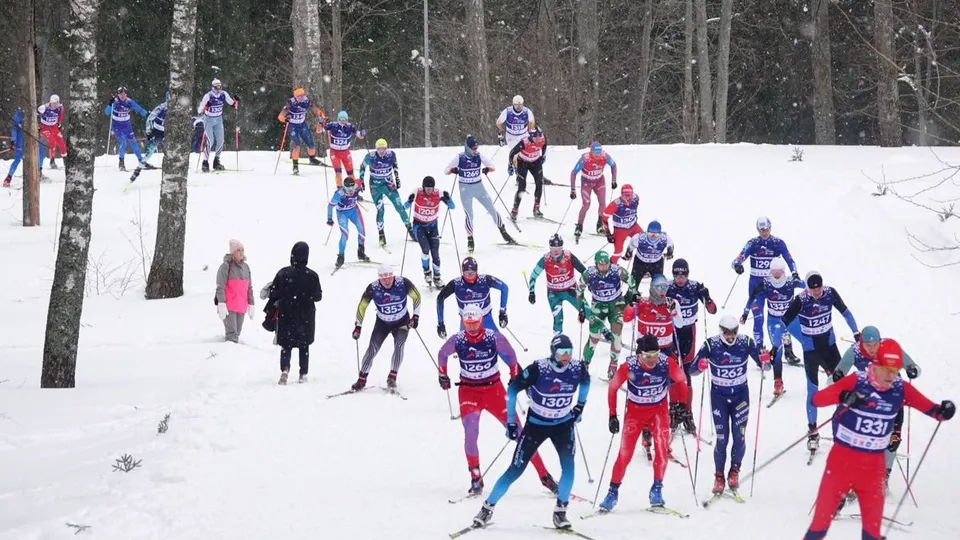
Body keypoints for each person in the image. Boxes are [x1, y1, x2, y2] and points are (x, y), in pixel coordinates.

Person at [803, 339, 954, 540]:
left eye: (896, 370)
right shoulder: (857, 381)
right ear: (875, 364)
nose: (892, 376)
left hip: (873, 471)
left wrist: (943, 411)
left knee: (872, 534)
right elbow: (817, 399)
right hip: (841, 465)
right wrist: (843, 396)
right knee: (818, 528)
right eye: (887, 370)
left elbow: (931, 409)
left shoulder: (900, 389)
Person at [472, 334, 591, 530]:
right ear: (553, 353)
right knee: (515, 469)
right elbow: (512, 389)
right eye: (562, 352)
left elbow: (586, 383)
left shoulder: (577, 368)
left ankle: (560, 512)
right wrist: (511, 422)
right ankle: (487, 508)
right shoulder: (539, 368)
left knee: (569, 468)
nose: (566, 357)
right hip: (536, 425)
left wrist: (580, 406)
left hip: (563, 424)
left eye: (569, 352)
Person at [437, 305, 559, 495]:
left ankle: (544, 476)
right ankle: (476, 478)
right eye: (467, 324)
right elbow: (442, 353)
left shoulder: (492, 337)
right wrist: (442, 374)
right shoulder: (458, 339)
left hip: (493, 390)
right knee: (470, 433)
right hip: (469, 393)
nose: (471, 328)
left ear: (481, 321)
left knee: (520, 433)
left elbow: (510, 354)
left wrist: (514, 374)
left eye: (475, 323)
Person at [601, 334, 688, 511]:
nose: (652, 360)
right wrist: (612, 415)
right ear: (639, 354)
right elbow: (613, 388)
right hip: (635, 413)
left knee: (662, 451)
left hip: (658, 412)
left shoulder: (665, 363)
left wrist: (680, 405)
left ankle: (657, 489)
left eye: (655, 354)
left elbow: (682, 379)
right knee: (625, 454)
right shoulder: (629, 366)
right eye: (648, 356)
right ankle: (612, 492)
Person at [833, 327, 922, 493]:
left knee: (892, 441)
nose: (872, 348)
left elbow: (914, 366)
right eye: (868, 345)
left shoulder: (889, 347)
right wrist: (837, 377)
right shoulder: (854, 352)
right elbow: (836, 375)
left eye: (875, 344)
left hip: (893, 398)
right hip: (867, 402)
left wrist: (912, 370)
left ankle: (883, 477)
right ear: (861, 343)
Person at [780, 271, 858, 454]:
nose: (816, 292)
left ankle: (844, 426)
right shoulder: (801, 300)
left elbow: (846, 312)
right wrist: (778, 345)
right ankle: (813, 431)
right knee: (812, 390)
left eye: (818, 288)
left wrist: (855, 331)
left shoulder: (830, 293)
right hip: (811, 351)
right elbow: (783, 321)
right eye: (812, 289)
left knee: (843, 386)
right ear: (807, 288)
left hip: (830, 347)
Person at [690, 314, 767, 497]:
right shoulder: (711, 345)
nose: (731, 336)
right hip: (719, 397)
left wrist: (765, 359)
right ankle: (719, 476)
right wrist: (700, 366)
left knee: (739, 436)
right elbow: (691, 370)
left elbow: (765, 366)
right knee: (722, 438)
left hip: (740, 397)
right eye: (727, 333)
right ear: (721, 331)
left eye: (734, 332)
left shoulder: (745, 342)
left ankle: (734, 471)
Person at [730, 216, 799, 352]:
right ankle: (759, 348)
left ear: (770, 228)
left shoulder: (777, 243)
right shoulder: (752, 243)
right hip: (757, 286)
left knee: (783, 318)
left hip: (775, 284)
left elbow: (789, 259)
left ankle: (788, 349)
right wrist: (737, 266)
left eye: (766, 229)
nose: (764, 233)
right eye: (761, 230)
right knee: (758, 318)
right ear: (757, 230)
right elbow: (737, 260)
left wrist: (795, 273)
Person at [740, 257, 805, 397]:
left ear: (784, 271)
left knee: (807, 342)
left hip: (792, 320)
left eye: (779, 272)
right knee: (778, 350)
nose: (776, 275)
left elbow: (809, 285)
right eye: (774, 272)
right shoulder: (766, 283)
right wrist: (745, 313)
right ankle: (778, 382)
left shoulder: (790, 282)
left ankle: (827, 368)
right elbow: (752, 296)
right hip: (774, 321)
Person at [350, 264, 422, 391]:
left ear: (393, 276)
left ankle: (392, 377)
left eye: (389, 277)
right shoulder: (373, 288)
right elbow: (362, 306)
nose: (387, 281)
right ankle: (362, 379)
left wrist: (415, 317)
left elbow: (417, 297)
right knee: (372, 349)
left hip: (402, 323)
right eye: (384, 279)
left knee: (399, 345)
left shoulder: (403, 283)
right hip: (382, 323)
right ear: (379, 278)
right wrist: (358, 326)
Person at [665, 258, 716, 433]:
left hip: (688, 332)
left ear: (688, 274)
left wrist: (706, 296)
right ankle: (673, 408)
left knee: (686, 372)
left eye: (683, 274)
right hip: (671, 333)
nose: (680, 278)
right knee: (672, 372)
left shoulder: (694, 287)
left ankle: (687, 411)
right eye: (676, 274)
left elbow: (713, 310)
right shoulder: (667, 287)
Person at [445, 135, 516, 251]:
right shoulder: (460, 157)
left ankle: (504, 232)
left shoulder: (478, 156)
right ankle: (470, 240)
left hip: (479, 188)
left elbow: (492, 166)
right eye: (473, 148)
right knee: (469, 214)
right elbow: (445, 171)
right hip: (465, 190)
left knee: (492, 209)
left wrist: (487, 169)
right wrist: (453, 170)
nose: (475, 150)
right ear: (467, 148)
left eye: (476, 148)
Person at [266, 241, 322, 385]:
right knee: (304, 345)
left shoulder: (283, 273)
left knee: (287, 344)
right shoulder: (312, 275)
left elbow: (274, 293)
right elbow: (318, 297)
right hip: (306, 315)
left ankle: (285, 369)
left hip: (287, 314)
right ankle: (303, 373)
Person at [576, 250, 628, 369]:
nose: (604, 266)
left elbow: (632, 283)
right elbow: (579, 292)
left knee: (617, 334)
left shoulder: (617, 271)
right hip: (598, 306)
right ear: (596, 264)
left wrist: (629, 298)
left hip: (616, 305)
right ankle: (585, 364)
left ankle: (613, 364)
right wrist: (581, 309)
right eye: (601, 264)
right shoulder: (589, 274)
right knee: (594, 337)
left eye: (606, 264)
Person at [527, 234, 588, 335]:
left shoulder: (569, 256)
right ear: (550, 248)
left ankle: (605, 332)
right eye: (553, 248)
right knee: (558, 319)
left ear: (562, 248)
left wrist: (586, 288)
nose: (556, 251)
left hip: (571, 290)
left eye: (559, 248)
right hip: (554, 293)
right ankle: (558, 341)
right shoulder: (545, 260)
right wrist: (531, 292)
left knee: (588, 311)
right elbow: (533, 276)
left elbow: (584, 272)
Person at [359, 138, 413, 246]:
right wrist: (361, 180)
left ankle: (410, 230)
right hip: (375, 185)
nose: (381, 151)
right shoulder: (370, 156)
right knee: (380, 209)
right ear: (376, 148)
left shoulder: (391, 155)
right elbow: (362, 167)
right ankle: (381, 234)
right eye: (379, 149)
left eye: (383, 148)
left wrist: (397, 178)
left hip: (388, 183)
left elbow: (395, 167)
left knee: (399, 206)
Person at [437, 257, 509, 337]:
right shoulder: (456, 284)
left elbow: (504, 288)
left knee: (499, 345)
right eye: (467, 273)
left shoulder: (485, 280)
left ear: (477, 271)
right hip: (467, 324)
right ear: (463, 271)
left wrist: (503, 312)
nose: (469, 276)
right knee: (464, 347)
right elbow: (440, 298)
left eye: (472, 273)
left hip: (486, 320)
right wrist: (441, 324)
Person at [405, 176, 455, 287]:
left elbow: (452, 207)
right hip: (419, 226)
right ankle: (427, 272)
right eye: (427, 188)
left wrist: (448, 198)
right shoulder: (417, 192)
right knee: (426, 249)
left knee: (436, 254)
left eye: (431, 188)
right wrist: (409, 200)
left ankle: (437, 277)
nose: (429, 190)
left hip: (433, 227)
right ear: (423, 187)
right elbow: (405, 207)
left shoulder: (438, 193)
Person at [570, 142, 617, 242]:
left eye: (599, 153)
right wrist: (573, 190)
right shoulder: (585, 159)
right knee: (586, 204)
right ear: (591, 151)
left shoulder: (604, 156)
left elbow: (613, 165)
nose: (597, 155)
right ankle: (579, 226)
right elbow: (573, 173)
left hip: (599, 181)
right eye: (595, 153)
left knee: (602, 203)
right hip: (586, 182)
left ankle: (600, 225)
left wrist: (614, 180)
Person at [277, 88, 325, 174]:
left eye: (303, 95)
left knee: (310, 143)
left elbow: (316, 110)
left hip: (302, 124)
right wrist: (285, 119)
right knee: (297, 145)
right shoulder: (290, 103)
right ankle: (295, 167)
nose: (301, 98)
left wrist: (322, 116)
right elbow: (280, 116)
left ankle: (312, 159)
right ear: (295, 97)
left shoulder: (306, 101)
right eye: (299, 96)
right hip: (293, 125)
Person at [215, 240, 255, 343]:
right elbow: (220, 286)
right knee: (231, 334)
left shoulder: (246, 267)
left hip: (241, 306)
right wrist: (221, 303)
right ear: (232, 252)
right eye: (238, 250)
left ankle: (235, 355)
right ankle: (230, 355)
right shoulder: (226, 266)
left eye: (242, 250)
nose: (241, 252)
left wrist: (251, 303)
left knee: (237, 333)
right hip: (229, 306)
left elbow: (249, 287)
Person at [197, 78, 238, 172]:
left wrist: (235, 101)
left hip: (218, 120)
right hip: (208, 120)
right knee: (210, 141)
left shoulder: (223, 94)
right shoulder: (208, 96)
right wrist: (204, 108)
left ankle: (216, 161)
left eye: (220, 86)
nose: (218, 88)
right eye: (216, 87)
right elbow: (200, 109)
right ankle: (205, 162)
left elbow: (231, 103)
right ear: (213, 87)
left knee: (221, 140)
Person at [327, 177, 370, 268]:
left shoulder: (357, 186)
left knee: (361, 230)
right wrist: (330, 219)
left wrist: (362, 185)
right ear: (343, 187)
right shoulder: (339, 194)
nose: (351, 191)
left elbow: (360, 179)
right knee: (345, 234)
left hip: (354, 210)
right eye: (348, 189)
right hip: (342, 213)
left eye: (352, 188)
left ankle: (361, 252)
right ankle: (341, 257)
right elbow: (330, 206)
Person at [508, 127, 547, 220]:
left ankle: (536, 209)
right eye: (535, 138)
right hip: (523, 163)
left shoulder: (542, 139)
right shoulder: (524, 142)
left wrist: (543, 155)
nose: (538, 140)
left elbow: (544, 145)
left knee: (539, 183)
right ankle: (515, 210)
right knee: (522, 187)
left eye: (539, 137)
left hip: (536, 162)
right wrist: (510, 165)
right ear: (531, 136)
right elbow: (512, 153)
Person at [104, 87, 148, 171]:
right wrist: (110, 104)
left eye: (124, 94)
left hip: (127, 125)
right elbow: (106, 112)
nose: (123, 96)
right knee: (123, 143)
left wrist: (147, 114)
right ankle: (121, 163)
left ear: (126, 94)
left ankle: (141, 161)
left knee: (133, 142)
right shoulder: (115, 102)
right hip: (117, 126)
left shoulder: (129, 101)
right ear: (118, 94)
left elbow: (139, 109)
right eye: (121, 94)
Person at [128, 91, 167, 184]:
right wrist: (149, 132)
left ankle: (172, 176)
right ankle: (136, 172)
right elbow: (150, 118)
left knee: (172, 152)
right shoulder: (161, 107)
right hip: (157, 132)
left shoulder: (179, 108)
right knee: (149, 153)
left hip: (168, 133)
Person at [321, 110, 365, 188]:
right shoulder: (333, 125)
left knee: (350, 172)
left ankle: (353, 190)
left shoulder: (350, 126)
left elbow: (360, 136)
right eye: (341, 119)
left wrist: (362, 133)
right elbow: (319, 131)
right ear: (338, 119)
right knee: (338, 171)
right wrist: (320, 123)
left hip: (345, 152)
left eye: (345, 119)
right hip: (334, 152)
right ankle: (339, 189)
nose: (343, 121)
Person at [601, 184, 642, 264]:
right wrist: (608, 233)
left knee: (644, 242)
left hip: (633, 227)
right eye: (625, 194)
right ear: (621, 194)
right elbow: (604, 218)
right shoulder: (615, 204)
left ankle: (633, 257)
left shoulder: (636, 198)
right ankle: (611, 267)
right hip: (620, 230)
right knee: (618, 252)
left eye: (629, 194)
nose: (627, 197)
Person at [495, 95, 535, 176]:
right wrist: (500, 134)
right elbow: (499, 122)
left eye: (520, 105)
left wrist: (530, 132)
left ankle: (534, 172)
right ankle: (516, 170)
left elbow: (532, 122)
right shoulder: (508, 111)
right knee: (517, 154)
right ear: (513, 104)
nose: (519, 107)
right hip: (512, 136)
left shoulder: (527, 111)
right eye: (517, 105)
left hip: (523, 135)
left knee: (527, 154)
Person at [37, 94, 67, 169]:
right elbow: (35, 116)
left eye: (56, 103)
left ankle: (66, 160)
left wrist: (59, 126)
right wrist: (37, 128)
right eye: (53, 103)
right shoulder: (43, 108)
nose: (54, 105)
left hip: (54, 127)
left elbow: (60, 118)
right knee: (52, 141)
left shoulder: (60, 108)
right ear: (50, 102)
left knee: (61, 142)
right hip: (44, 127)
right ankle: (52, 161)